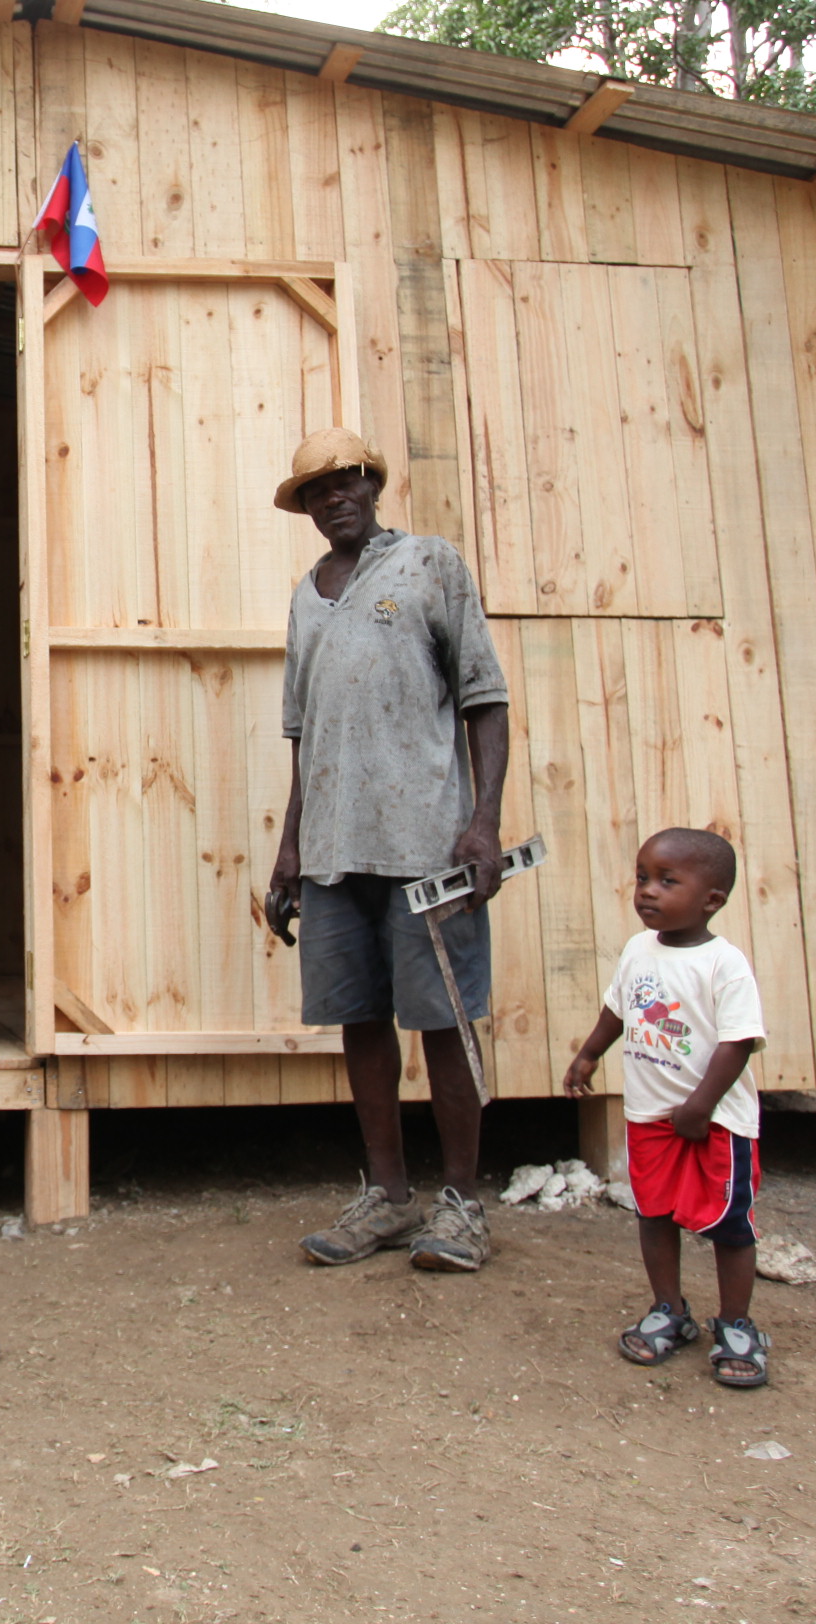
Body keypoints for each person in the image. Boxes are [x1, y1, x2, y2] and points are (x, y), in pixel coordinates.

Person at [262, 428, 510, 1273]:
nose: (336, 499)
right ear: (306, 507)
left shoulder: (431, 564)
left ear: (372, 484)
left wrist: (483, 823)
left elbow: (485, 697)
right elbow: (303, 732)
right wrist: (290, 850)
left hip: (425, 844)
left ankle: (464, 1206)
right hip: (333, 850)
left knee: (443, 1020)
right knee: (360, 1022)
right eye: (318, 491)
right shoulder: (306, 595)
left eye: (348, 483)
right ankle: (389, 1198)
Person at [565, 828, 771, 1390]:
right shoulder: (638, 951)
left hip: (715, 1124)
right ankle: (669, 1312)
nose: (647, 892)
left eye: (667, 881)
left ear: (712, 899)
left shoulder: (724, 964)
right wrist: (588, 1055)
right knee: (653, 1213)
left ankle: (736, 1326)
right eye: (642, 878)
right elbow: (618, 1009)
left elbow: (738, 1041)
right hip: (649, 1117)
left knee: (729, 1226)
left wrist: (701, 1106)